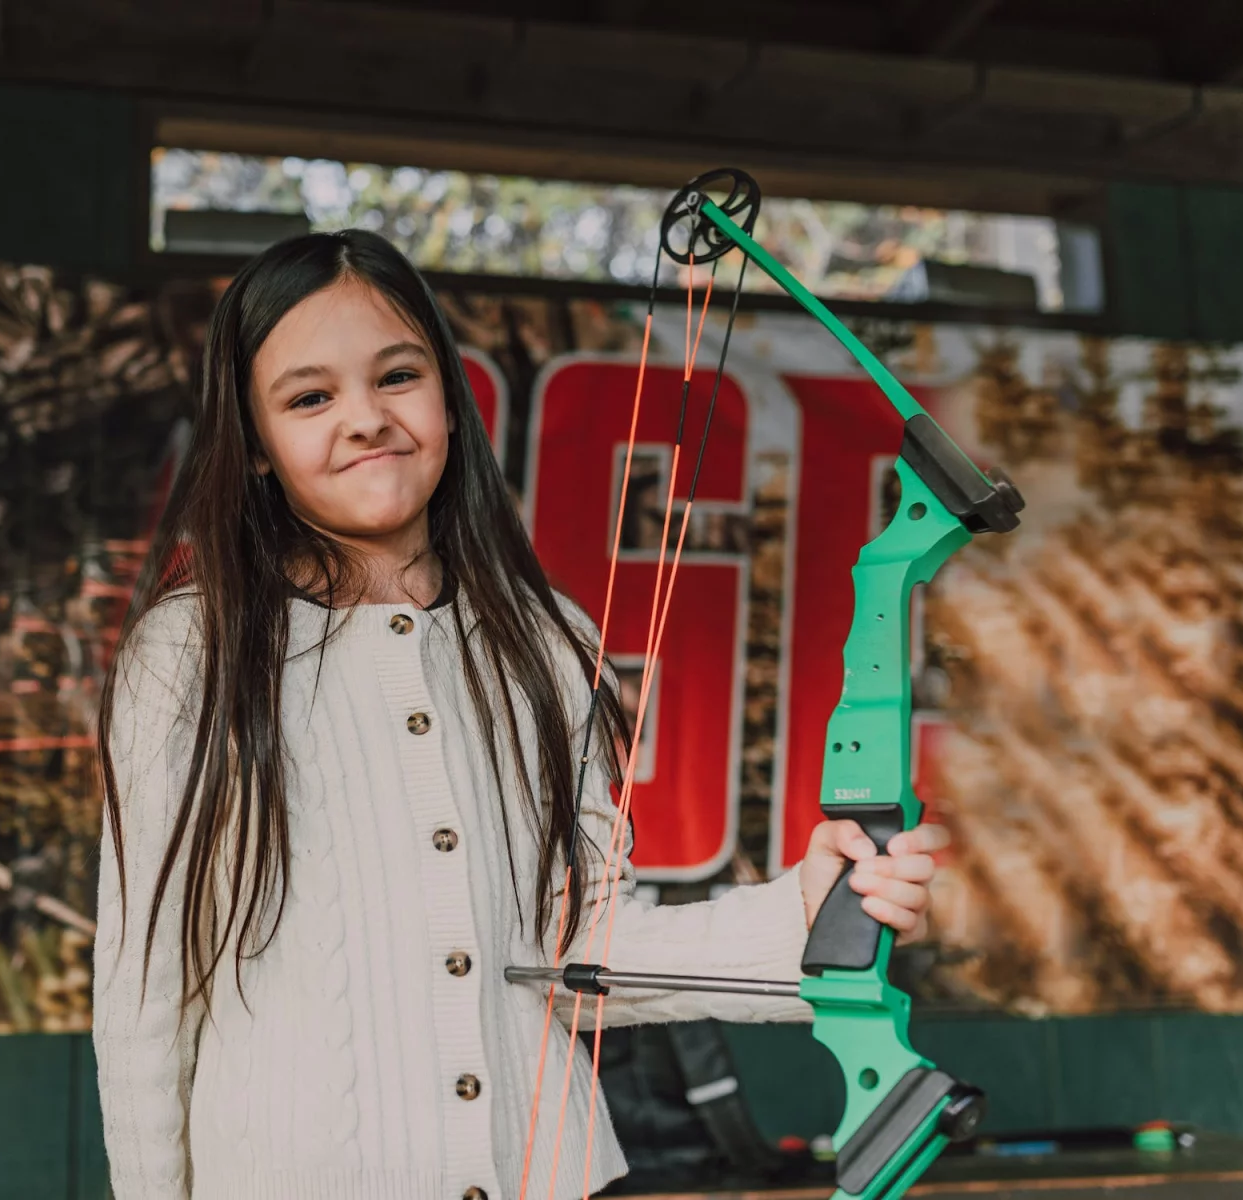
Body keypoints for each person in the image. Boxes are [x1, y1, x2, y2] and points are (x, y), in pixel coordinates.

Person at [92, 229, 948, 1200]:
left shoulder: (549, 638)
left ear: (450, 403)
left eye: (398, 376)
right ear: (253, 446)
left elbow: (574, 946)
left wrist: (802, 910)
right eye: (310, 397)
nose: (366, 418)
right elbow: (145, 993)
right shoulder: (191, 652)